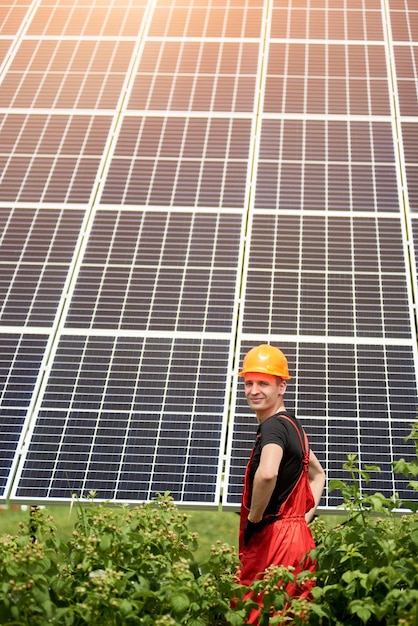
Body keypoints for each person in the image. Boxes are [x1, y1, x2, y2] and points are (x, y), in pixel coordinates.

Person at [236, 344, 326, 624]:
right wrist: (303, 517)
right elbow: (318, 474)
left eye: (263, 383)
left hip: (275, 539)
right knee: (293, 616)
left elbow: (267, 473)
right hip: (299, 539)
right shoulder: (293, 425)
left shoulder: (273, 427)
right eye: (249, 383)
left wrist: (254, 518)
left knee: (260, 615)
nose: (253, 390)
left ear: (281, 387)